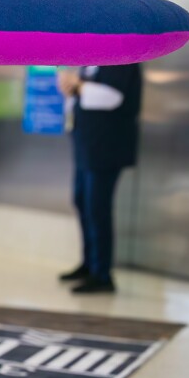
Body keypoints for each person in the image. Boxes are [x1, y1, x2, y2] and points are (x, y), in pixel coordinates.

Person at [58, 64, 143, 295]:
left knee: (97, 209)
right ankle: (89, 264)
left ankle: (102, 274)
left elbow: (112, 97)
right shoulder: (92, 58)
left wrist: (78, 85)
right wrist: (71, 87)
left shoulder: (124, 56)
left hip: (107, 148)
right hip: (87, 145)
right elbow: (82, 92)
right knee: (82, 202)